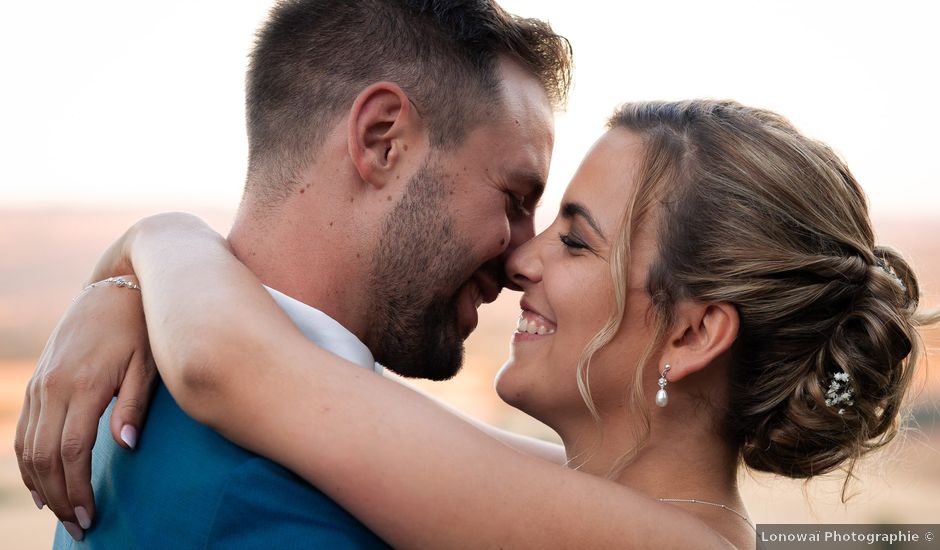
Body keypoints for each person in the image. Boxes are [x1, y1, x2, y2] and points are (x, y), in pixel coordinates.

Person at [20, 100, 936, 548]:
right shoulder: (604, 505)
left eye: (576, 242)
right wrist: (124, 299)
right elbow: (341, 403)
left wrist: (154, 239)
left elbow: (229, 366)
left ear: (696, 335)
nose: (522, 260)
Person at [14, 0, 572, 546]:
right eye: (515, 198)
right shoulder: (280, 504)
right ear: (382, 140)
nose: (523, 257)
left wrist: (152, 240)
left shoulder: (137, 388)